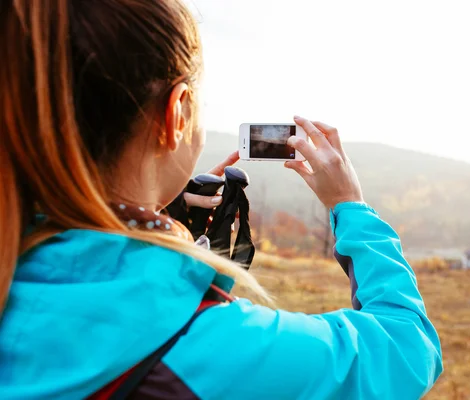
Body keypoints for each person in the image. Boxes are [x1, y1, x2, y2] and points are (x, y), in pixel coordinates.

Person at [0, 1, 443, 399]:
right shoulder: (218, 350)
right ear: (176, 113)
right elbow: (406, 350)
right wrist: (350, 205)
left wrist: (156, 221)